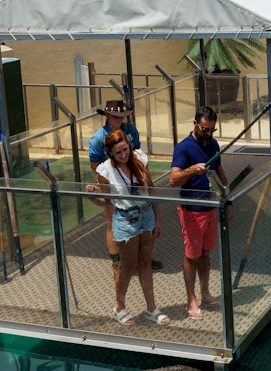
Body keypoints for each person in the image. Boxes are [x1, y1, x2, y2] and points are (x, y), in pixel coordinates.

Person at [86, 129, 168, 326]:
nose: (124, 155)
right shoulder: (105, 171)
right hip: (125, 220)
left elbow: (151, 189)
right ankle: (119, 306)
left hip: (146, 215)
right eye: (118, 153)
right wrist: (91, 197)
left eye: (125, 149)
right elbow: (106, 201)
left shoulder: (139, 158)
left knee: (146, 262)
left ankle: (151, 308)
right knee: (128, 266)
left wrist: (158, 218)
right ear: (110, 154)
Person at [89, 99, 162, 273]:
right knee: (111, 222)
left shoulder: (131, 130)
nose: (119, 119)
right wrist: (109, 179)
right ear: (107, 115)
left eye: (122, 116)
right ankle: (117, 261)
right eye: (115, 116)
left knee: (142, 216)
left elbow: (137, 155)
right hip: (113, 184)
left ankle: (143, 257)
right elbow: (94, 165)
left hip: (133, 180)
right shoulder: (98, 138)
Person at [169, 106, 228, 320]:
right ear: (195, 124)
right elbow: (173, 180)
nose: (209, 134)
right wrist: (193, 170)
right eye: (205, 129)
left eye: (212, 129)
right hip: (192, 211)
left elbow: (219, 171)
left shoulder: (213, 144)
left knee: (205, 253)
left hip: (210, 207)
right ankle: (191, 299)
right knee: (192, 256)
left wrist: (227, 196)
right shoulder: (183, 148)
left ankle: (205, 293)